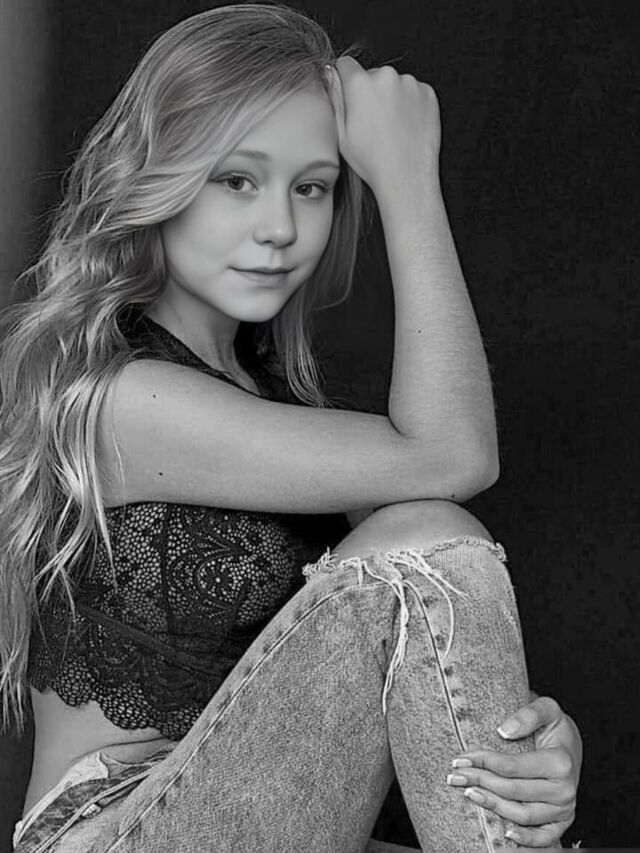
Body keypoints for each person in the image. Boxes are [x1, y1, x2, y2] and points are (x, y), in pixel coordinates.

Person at [0, 4, 581, 852]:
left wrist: (532, 746)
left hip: (260, 817)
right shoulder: (122, 400)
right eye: (237, 180)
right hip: (114, 832)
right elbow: (454, 456)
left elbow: (420, 654)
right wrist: (410, 182)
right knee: (424, 537)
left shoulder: (269, 397)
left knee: (428, 566)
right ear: (160, 176)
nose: (279, 228)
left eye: (311, 187)